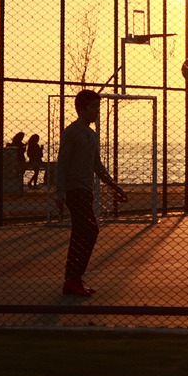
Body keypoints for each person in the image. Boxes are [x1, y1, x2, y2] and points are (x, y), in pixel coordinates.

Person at [55, 89, 127, 297]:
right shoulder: (71, 133)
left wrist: (115, 187)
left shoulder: (91, 134)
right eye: (94, 107)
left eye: (98, 107)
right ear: (82, 109)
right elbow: (62, 163)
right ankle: (72, 278)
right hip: (74, 190)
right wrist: (60, 191)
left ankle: (73, 279)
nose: (97, 112)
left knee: (82, 233)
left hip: (86, 191)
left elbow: (97, 165)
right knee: (89, 230)